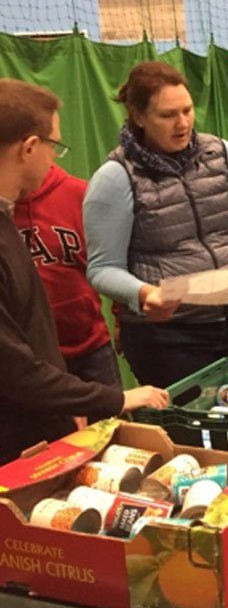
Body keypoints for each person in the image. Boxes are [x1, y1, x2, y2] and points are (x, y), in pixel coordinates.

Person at [0, 79, 168, 464]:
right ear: (29, 148)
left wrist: (65, 400)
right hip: (15, 443)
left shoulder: (8, 215)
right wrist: (118, 398)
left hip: (46, 406)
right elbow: (14, 369)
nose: (54, 158)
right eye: (53, 145)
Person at [84, 62, 228, 389]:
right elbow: (102, 268)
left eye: (187, 110)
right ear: (139, 117)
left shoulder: (222, 153)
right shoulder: (115, 177)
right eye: (168, 115)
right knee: (189, 435)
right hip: (167, 339)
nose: (182, 123)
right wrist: (143, 293)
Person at [15, 164, 122, 403]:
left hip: (90, 347)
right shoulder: (5, 209)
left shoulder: (79, 194)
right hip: (31, 361)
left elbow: (110, 262)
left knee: (113, 431)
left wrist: (120, 315)